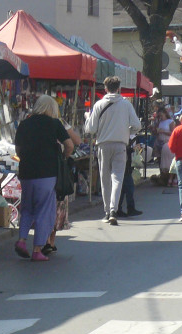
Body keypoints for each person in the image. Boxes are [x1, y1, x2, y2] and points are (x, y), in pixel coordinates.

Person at [13, 94, 73, 261]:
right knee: (44, 210)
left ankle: (21, 240)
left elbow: (18, 150)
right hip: (47, 173)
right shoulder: (54, 124)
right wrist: (63, 158)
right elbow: (69, 145)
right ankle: (37, 249)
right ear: (52, 108)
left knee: (26, 207)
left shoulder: (24, 124)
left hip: (26, 173)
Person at [84, 76, 140, 225]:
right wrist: (126, 130)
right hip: (120, 145)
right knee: (118, 178)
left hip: (103, 144)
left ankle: (107, 211)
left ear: (106, 88)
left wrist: (87, 118)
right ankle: (114, 209)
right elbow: (137, 125)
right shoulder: (126, 105)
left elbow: (91, 129)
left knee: (105, 179)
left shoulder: (99, 105)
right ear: (119, 88)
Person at [48, 116, 83, 254]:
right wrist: (64, 157)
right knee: (58, 201)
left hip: (39, 169)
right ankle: (51, 241)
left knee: (46, 203)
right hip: (57, 169)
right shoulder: (59, 122)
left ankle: (44, 241)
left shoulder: (32, 120)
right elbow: (75, 142)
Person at [115, 135, 142, 217]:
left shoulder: (127, 137)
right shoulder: (122, 138)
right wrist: (132, 149)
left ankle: (119, 209)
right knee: (129, 189)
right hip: (124, 167)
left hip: (126, 167)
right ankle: (128, 208)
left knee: (123, 190)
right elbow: (124, 150)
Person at [154, 107, 176, 186]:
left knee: (168, 161)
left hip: (167, 143)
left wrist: (163, 131)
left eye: (161, 115)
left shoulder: (170, 122)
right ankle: (163, 177)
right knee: (160, 160)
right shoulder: (159, 122)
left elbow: (173, 133)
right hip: (159, 142)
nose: (160, 117)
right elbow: (155, 132)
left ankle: (169, 178)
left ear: (165, 114)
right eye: (159, 116)